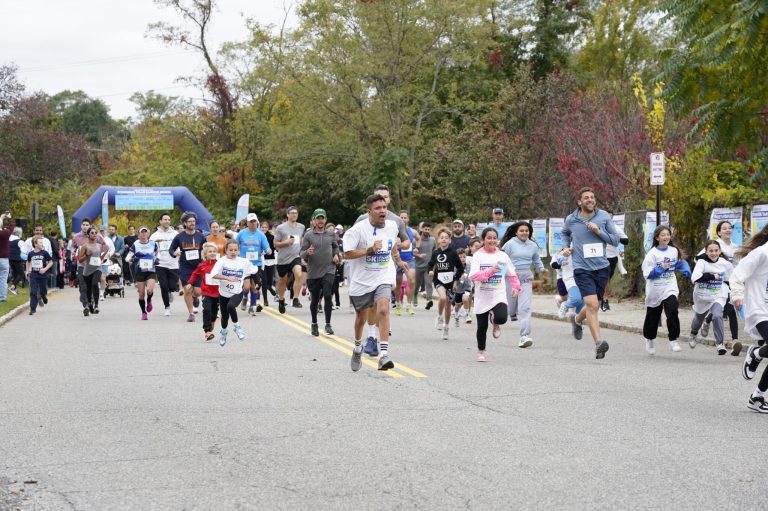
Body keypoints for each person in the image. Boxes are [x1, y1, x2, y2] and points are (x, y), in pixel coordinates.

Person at [345, 194, 404, 372]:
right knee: (361, 319)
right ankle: (357, 347)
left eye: (384, 207)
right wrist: (369, 250)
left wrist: (398, 259)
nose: (382, 211)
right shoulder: (357, 230)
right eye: (378, 208)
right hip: (361, 281)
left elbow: (392, 244)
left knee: (384, 309)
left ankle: (383, 355)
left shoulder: (393, 226)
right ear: (369, 211)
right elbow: (347, 254)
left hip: (383, 276)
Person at [560, 187, 621, 359]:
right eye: (586, 198)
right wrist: (565, 247)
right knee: (593, 305)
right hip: (581, 268)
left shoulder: (603, 217)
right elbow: (564, 233)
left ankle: (577, 320)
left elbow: (615, 241)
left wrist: (598, 231)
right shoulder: (571, 219)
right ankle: (598, 343)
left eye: (592, 197)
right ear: (580, 202)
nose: (590, 200)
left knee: (593, 305)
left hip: (602, 267)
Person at [353, 184, 411, 355]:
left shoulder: (395, 221)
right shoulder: (362, 219)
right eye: (379, 197)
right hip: (367, 270)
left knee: (382, 306)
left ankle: (377, 341)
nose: (383, 201)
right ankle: (371, 337)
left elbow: (407, 242)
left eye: (385, 198)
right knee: (370, 307)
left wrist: (396, 246)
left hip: (386, 269)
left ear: (389, 199)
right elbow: (353, 243)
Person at [730, 224, 768, 413]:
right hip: (760, 310)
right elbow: (736, 275)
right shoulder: (761, 253)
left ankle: (757, 397)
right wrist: (737, 295)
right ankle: (755, 354)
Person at [469, 227, 522, 362]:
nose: (492, 241)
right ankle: (481, 351)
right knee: (482, 326)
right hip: (482, 295)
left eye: (494, 238)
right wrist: (490, 271)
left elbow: (512, 273)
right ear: (483, 240)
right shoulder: (478, 256)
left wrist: (516, 287)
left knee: (502, 318)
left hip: (498, 294)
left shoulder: (502, 256)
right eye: (489, 238)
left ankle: (495, 322)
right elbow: (474, 275)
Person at [640, 226, 692, 355]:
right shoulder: (652, 254)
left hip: (670, 286)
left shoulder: (673, 250)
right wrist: (660, 268)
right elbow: (647, 274)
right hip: (655, 289)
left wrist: (686, 269)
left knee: (672, 310)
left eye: (668, 235)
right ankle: (650, 338)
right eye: (663, 235)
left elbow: (679, 262)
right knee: (653, 316)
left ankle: (673, 340)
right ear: (657, 238)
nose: (666, 237)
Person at [501, 221, 544, 348]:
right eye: (522, 230)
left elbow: (536, 259)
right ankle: (512, 313)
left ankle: (524, 336)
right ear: (516, 232)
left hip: (526, 278)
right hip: (511, 278)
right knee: (510, 307)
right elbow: (502, 260)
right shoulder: (509, 244)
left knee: (525, 307)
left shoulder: (533, 245)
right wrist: (498, 277)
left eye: (526, 231)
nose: (524, 233)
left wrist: (541, 269)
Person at [690, 240, 736, 355]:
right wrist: (710, 276)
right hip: (702, 296)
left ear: (720, 251)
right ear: (706, 251)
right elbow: (694, 278)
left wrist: (735, 293)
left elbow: (732, 280)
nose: (714, 253)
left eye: (716, 250)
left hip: (718, 294)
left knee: (717, 315)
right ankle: (693, 333)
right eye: (711, 251)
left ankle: (720, 344)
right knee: (698, 319)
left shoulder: (725, 264)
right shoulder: (702, 262)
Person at [300, 208, 341, 336]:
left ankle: (328, 324)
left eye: (322, 218)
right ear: (313, 220)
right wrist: (307, 253)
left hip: (329, 269)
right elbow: (301, 253)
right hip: (313, 271)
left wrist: (336, 255)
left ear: (325, 220)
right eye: (318, 218)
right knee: (315, 298)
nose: (320, 220)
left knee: (328, 294)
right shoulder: (308, 235)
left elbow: (335, 247)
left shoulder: (330, 234)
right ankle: (314, 323)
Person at [700, 221, 740, 348]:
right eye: (724, 228)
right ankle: (707, 321)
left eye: (729, 228)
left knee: (729, 309)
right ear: (719, 232)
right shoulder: (715, 245)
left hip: (730, 281)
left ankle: (735, 341)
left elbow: (739, 265)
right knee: (726, 309)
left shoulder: (735, 247)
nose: (728, 230)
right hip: (716, 282)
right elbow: (699, 258)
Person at [211, 239, 253, 346]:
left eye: (235, 250)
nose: (233, 252)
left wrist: (256, 279)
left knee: (231, 306)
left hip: (237, 292)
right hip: (224, 293)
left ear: (239, 250)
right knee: (224, 317)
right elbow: (213, 274)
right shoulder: (222, 261)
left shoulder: (244, 261)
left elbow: (253, 270)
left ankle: (237, 327)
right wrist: (227, 278)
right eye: (231, 250)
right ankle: (224, 333)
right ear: (226, 250)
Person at [169, 212, 207, 322]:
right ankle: (191, 313)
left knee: (198, 291)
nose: (192, 223)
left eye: (193, 222)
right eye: (190, 222)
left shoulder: (200, 236)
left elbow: (206, 248)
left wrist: (206, 257)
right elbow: (171, 249)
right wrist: (174, 253)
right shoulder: (179, 237)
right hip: (185, 268)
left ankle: (195, 298)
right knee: (187, 290)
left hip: (199, 267)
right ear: (185, 223)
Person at [429, 228, 464, 340]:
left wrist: (455, 280)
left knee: (448, 305)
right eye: (442, 237)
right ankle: (439, 317)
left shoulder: (453, 253)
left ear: (449, 241)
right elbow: (430, 264)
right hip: (438, 280)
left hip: (450, 281)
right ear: (438, 240)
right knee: (443, 298)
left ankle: (446, 327)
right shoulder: (435, 253)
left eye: (446, 238)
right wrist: (430, 270)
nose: (444, 239)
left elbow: (460, 268)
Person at [236, 213, 271, 315]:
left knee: (254, 286)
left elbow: (267, 247)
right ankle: (245, 296)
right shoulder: (242, 233)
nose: (252, 223)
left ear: (257, 222)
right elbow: (235, 244)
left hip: (256, 264)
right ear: (247, 223)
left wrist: (268, 251)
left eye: (254, 221)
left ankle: (252, 306)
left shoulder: (261, 235)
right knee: (246, 287)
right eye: (250, 221)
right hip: (244, 263)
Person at [73, 218, 108, 315]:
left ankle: (93, 304)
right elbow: (73, 247)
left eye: (87, 225)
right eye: (83, 224)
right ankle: (86, 306)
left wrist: (102, 257)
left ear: (90, 226)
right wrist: (73, 251)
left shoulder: (98, 236)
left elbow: (105, 246)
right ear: (81, 226)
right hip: (82, 266)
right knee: (83, 287)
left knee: (93, 285)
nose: (85, 226)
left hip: (95, 266)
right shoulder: (76, 237)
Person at [274, 206, 306, 313]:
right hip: (283, 258)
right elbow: (275, 244)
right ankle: (281, 300)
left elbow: (301, 242)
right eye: (292, 213)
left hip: (295, 256)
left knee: (299, 274)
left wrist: (302, 254)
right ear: (287, 215)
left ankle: (295, 298)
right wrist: (285, 242)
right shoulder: (281, 228)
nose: (294, 215)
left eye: (296, 213)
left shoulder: (301, 227)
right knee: (283, 281)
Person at [187, 243, 220, 341]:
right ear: (205, 254)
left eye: (214, 251)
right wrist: (190, 283)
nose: (212, 253)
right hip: (206, 291)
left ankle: (212, 322)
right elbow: (194, 274)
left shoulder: (219, 264)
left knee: (214, 312)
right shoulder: (201, 265)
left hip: (217, 292)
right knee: (206, 310)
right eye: (210, 252)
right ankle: (207, 331)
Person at [149, 212, 179, 316]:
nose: (167, 221)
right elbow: (150, 248)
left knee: (172, 286)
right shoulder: (154, 235)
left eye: (168, 220)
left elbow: (180, 246)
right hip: (160, 263)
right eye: (165, 219)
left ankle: (170, 292)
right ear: (160, 221)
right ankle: (167, 307)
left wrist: (178, 252)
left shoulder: (175, 234)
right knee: (163, 286)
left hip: (173, 263)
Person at [125, 226, 158, 321]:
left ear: (148, 234)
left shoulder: (153, 243)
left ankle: (149, 300)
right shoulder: (136, 244)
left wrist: (156, 259)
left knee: (149, 290)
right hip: (140, 271)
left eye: (145, 232)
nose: (143, 234)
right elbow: (128, 257)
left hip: (151, 270)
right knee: (141, 293)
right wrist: (131, 258)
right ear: (138, 234)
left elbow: (157, 253)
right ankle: (144, 312)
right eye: (141, 233)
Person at [395, 210, 419, 316]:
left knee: (412, 281)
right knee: (398, 284)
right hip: (398, 261)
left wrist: (416, 248)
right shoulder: (394, 231)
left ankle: (409, 305)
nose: (403, 219)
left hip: (410, 260)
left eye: (405, 217)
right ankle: (398, 304)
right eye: (401, 217)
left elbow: (418, 239)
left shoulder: (412, 231)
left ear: (408, 219)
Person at [25, 235, 53, 315]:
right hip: (34, 274)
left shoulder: (45, 253)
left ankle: (43, 296)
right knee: (33, 291)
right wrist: (27, 271)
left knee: (43, 290)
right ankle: (32, 308)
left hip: (43, 275)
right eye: (40, 243)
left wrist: (45, 269)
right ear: (35, 244)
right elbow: (28, 261)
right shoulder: (31, 253)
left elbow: (51, 262)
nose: (42, 244)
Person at [413, 222, 435, 310]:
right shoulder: (416, 240)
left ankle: (429, 299)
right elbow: (412, 253)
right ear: (421, 229)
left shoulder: (433, 240)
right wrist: (419, 255)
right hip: (418, 266)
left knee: (429, 283)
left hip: (428, 266)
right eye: (425, 229)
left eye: (428, 229)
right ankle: (414, 295)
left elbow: (435, 251)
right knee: (417, 284)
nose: (427, 231)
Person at [261, 220, 277, 307]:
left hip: (270, 260)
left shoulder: (271, 237)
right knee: (264, 281)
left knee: (270, 280)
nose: (264, 229)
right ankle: (265, 300)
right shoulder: (258, 236)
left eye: (265, 227)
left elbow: (274, 248)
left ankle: (270, 287)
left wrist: (269, 251)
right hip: (261, 260)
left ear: (268, 228)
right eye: (262, 227)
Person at [0, 211, 14, 303]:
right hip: (3, 258)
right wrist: (9, 218)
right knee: (3, 278)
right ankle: (2, 297)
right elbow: (11, 228)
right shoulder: (4, 234)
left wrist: (1, 217)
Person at [9, 227, 25, 294]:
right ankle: (12, 286)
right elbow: (24, 250)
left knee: (15, 274)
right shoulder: (20, 241)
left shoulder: (8, 239)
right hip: (17, 259)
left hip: (10, 259)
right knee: (21, 274)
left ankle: (14, 289)